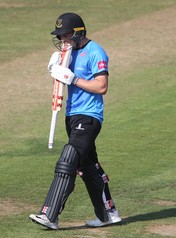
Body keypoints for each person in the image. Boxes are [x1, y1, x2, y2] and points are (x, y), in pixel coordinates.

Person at [29, 12, 122, 230]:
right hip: (72, 116)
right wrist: (56, 70)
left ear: (79, 33)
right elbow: (62, 82)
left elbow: (101, 86)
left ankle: (50, 214)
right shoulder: (67, 53)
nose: (63, 40)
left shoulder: (95, 51)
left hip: (89, 116)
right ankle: (107, 213)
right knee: (88, 167)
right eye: (60, 36)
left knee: (68, 158)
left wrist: (73, 78)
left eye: (66, 35)